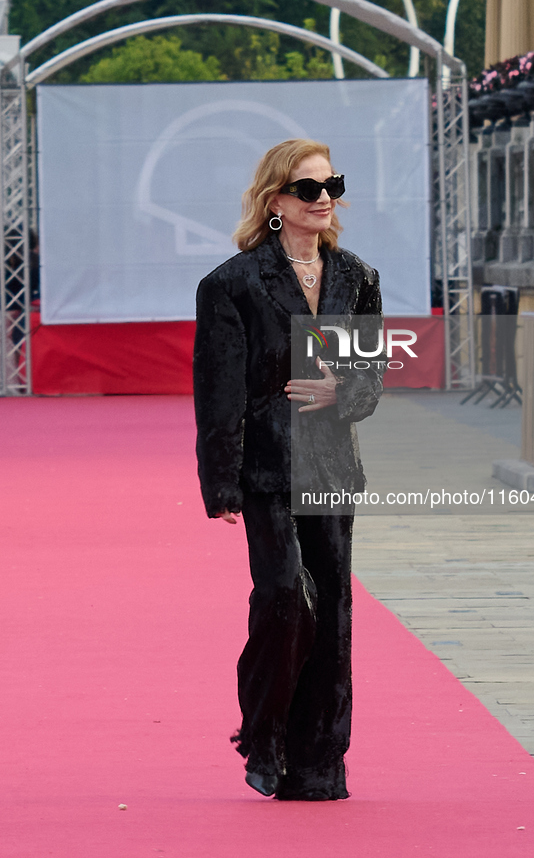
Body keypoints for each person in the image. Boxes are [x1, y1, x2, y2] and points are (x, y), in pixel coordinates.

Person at [193, 139, 382, 801]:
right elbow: (218, 391)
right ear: (276, 202)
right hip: (267, 468)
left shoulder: (355, 276)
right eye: (307, 188)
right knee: (282, 596)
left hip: (330, 466)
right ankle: (263, 732)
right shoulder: (231, 284)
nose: (323, 196)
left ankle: (318, 761)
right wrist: (220, 480)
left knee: (330, 614)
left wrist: (343, 392)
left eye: (330, 183)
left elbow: (368, 377)